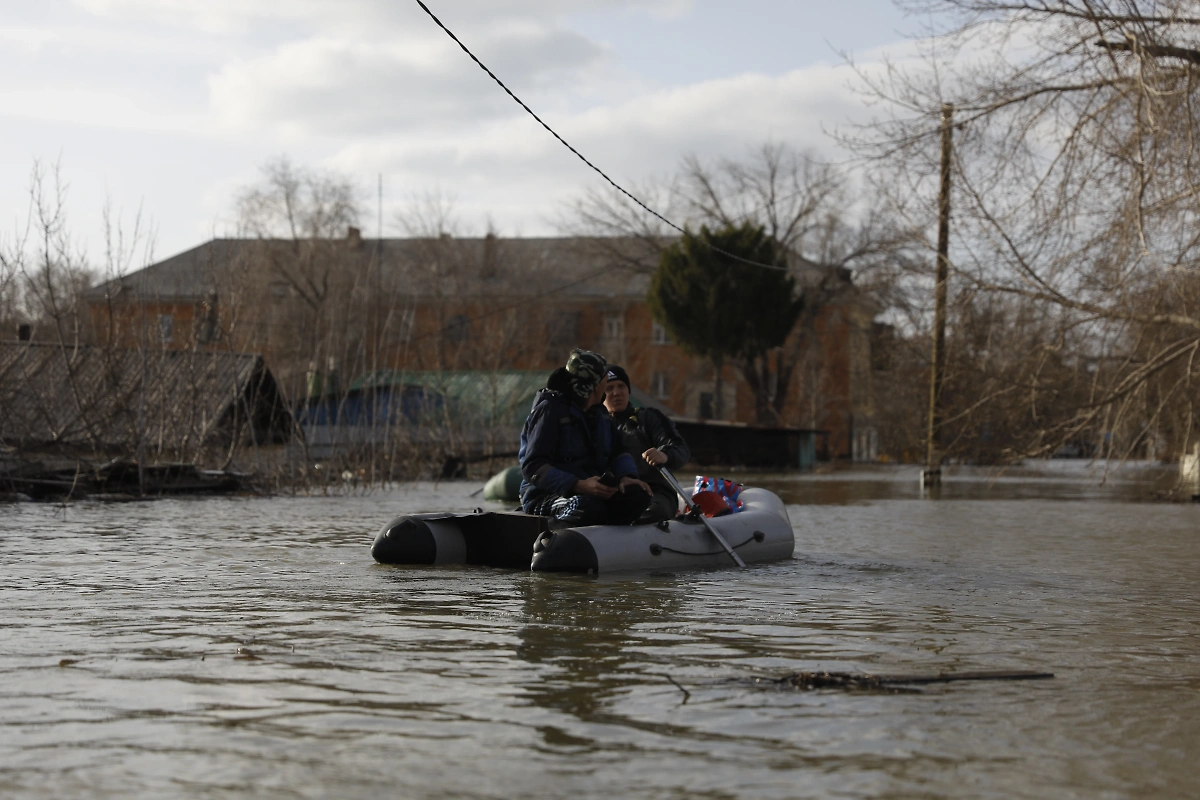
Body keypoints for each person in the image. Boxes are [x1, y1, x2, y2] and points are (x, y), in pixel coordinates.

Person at [518, 349, 652, 526]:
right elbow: (533, 467)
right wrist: (578, 485)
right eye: (605, 381)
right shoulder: (550, 410)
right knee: (586, 506)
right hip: (548, 495)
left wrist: (626, 476)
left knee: (637, 495)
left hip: (592, 492)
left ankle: (612, 539)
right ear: (595, 385)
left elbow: (618, 450)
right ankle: (554, 541)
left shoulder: (601, 414)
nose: (607, 386)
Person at [603, 364, 692, 523]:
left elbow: (681, 449)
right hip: (614, 493)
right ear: (599, 394)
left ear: (628, 390)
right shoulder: (594, 426)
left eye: (621, 386)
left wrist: (664, 455)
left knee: (652, 513)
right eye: (609, 388)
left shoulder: (649, 418)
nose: (616, 393)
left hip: (656, 493)